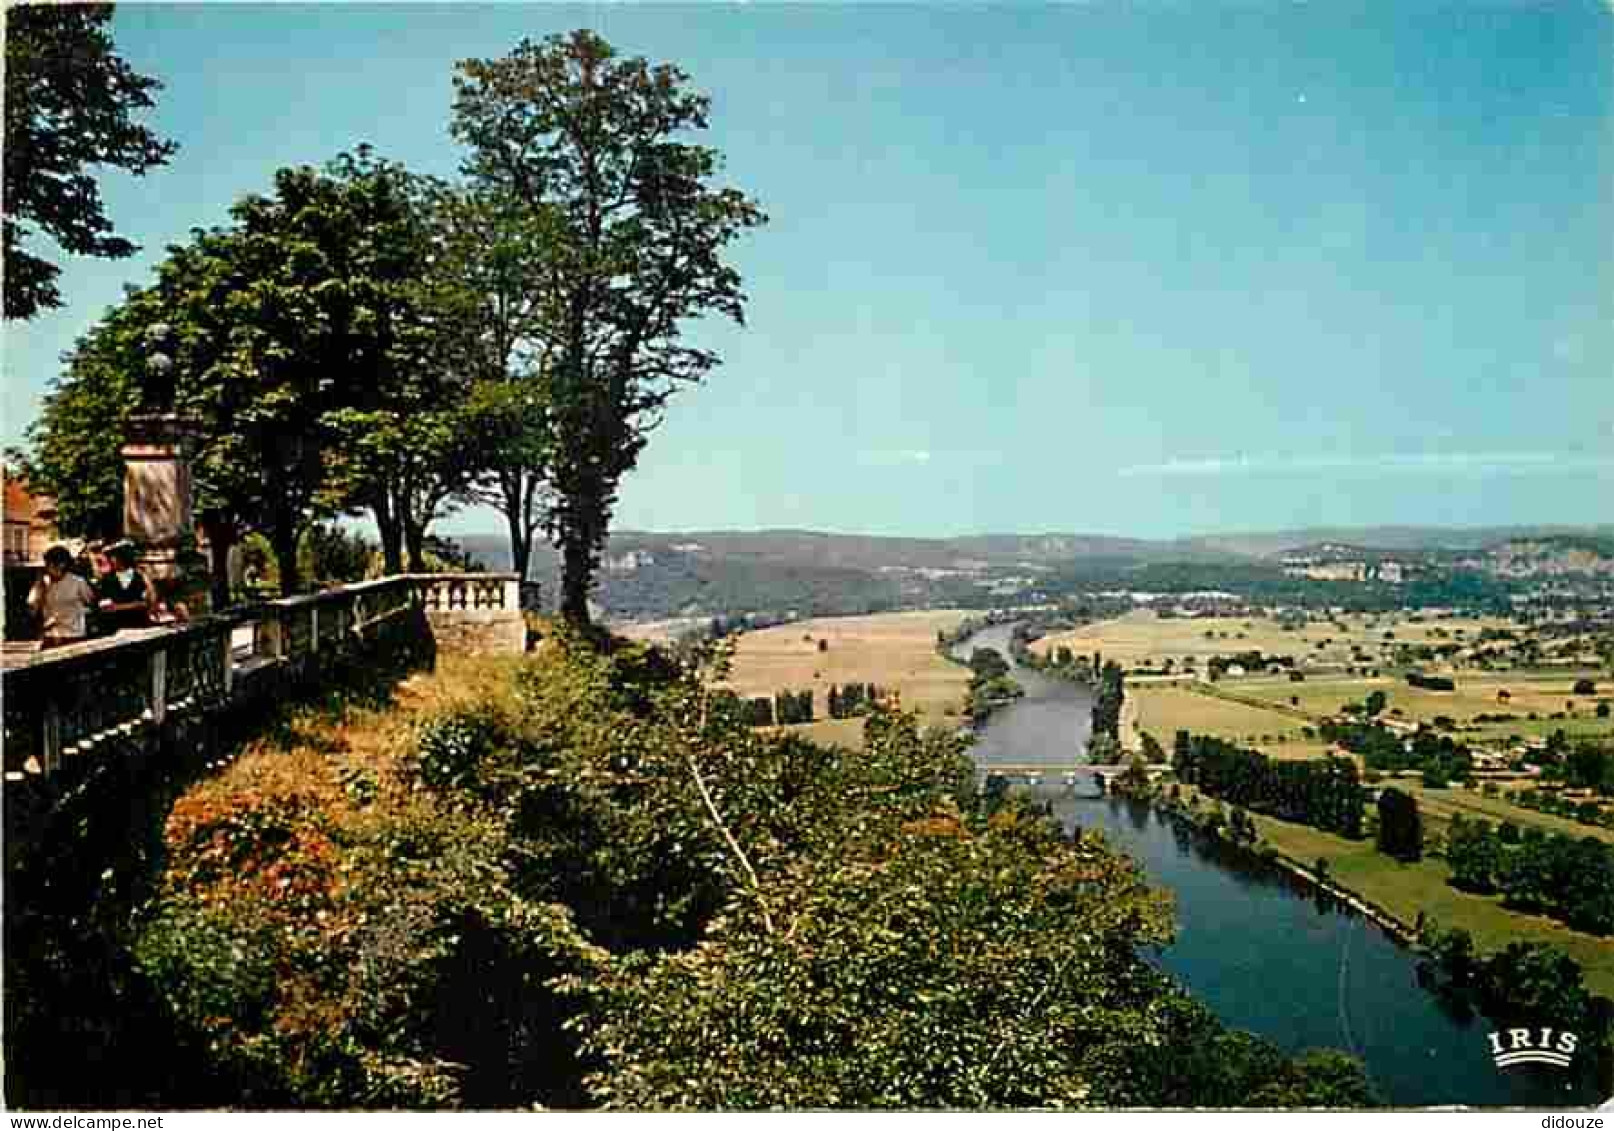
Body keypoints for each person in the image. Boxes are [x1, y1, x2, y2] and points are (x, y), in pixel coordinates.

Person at [27, 545, 98, 649]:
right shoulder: (42, 583)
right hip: (50, 635)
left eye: (51, 565)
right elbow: (32, 609)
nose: (48, 568)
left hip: (73, 635)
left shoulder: (77, 582)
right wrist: (40, 590)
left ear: (62, 565)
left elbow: (91, 602)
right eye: (47, 565)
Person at [97, 541, 158, 633]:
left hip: (140, 625)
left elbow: (149, 601)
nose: (111, 560)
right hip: (118, 628)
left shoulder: (140, 576)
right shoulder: (108, 579)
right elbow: (104, 605)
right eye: (110, 557)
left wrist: (119, 607)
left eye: (114, 556)